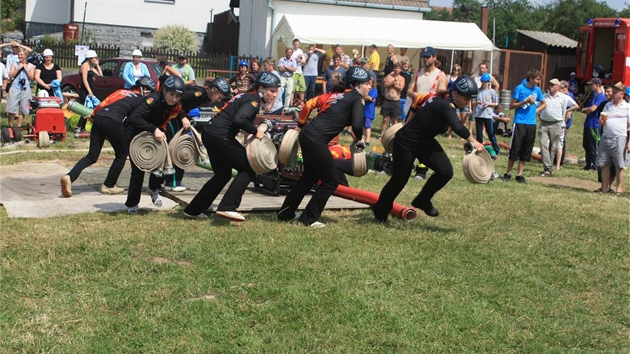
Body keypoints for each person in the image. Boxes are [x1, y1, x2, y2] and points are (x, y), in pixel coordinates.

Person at [372, 75, 484, 222]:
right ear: (455, 93)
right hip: (406, 142)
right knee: (399, 179)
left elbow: (418, 102)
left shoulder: (441, 98)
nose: (467, 103)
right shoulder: (445, 104)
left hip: (425, 142)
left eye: (469, 100)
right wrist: (474, 141)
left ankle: (422, 200)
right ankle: (380, 212)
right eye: (466, 99)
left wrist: (410, 122)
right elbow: (457, 126)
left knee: (445, 172)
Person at [276, 66, 370, 228]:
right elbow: (356, 124)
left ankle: (285, 213)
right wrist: (359, 139)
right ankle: (309, 218)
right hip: (316, 140)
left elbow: (311, 104)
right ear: (357, 85)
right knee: (330, 181)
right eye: (367, 83)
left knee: (308, 177)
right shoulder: (356, 98)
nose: (370, 87)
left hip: (307, 135)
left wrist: (301, 124)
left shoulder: (337, 96)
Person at [182, 72, 281, 221]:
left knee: (223, 175)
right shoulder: (253, 101)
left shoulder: (246, 96)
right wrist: (256, 131)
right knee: (248, 168)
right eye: (272, 91)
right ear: (261, 88)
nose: (274, 95)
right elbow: (240, 120)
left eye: (276, 91)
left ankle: (193, 210)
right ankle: (228, 207)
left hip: (210, 134)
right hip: (220, 137)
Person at [60, 77, 156, 198]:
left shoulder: (120, 91)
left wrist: (94, 115)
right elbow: (133, 120)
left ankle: (69, 177)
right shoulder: (140, 100)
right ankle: (108, 185)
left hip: (99, 117)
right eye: (149, 91)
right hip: (114, 121)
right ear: (144, 89)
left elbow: (104, 102)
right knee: (121, 155)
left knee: (92, 156)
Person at [123, 76, 188, 213]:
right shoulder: (153, 99)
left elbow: (179, 109)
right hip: (137, 133)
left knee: (161, 162)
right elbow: (134, 118)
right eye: (171, 94)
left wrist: (183, 117)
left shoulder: (174, 104)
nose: (174, 99)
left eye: (177, 96)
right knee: (138, 170)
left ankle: (153, 189)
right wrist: (153, 129)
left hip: (155, 135)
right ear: (164, 91)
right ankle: (132, 204)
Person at [164, 77, 232, 192]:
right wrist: (182, 117)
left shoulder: (205, 97)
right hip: (172, 118)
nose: (218, 100)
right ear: (214, 90)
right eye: (219, 97)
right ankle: (172, 182)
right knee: (176, 148)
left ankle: (176, 181)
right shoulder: (198, 93)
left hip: (179, 119)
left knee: (183, 147)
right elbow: (176, 100)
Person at [406, 46, 448, 180]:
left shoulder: (440, 75)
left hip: (430, 112)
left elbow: (441, 93)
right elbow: (409, 91)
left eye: (428, 57)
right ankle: (406, 164)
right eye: (424, 57)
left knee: (424, 140)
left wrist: (424, 97)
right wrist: (417, 96)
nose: (425, 59)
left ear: (434, 57)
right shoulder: (418, 72)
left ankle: (422, 169)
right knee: (408, 136)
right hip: (415, 109)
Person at [502, 69, 547, 184]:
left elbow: (544, 103)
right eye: (537, 79)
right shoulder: (520, 88)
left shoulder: (538, 90)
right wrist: (525, 102)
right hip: (520, 122)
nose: (538, 82)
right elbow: (511, 105)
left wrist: (536, 110)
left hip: (531, 124)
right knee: (515, 148)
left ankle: (520, 174)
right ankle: (508, 173)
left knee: (526, 150)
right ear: (531, 78)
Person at [597, 82, 630, 194]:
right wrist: (601, 122)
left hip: (619, 138)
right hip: (605, 137)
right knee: (604, 164)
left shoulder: (627, 107)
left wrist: (629, 142)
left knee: (619, 165)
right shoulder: (608, 105)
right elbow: (601, 120)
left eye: (616, 92)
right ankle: (604, 187)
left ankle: (619, 188)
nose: (613, 94)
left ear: (622, 94)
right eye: (613, 92)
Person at [581, 78, 606, 171]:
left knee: (593, 146)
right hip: (588, 123)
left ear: (597, 85)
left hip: (594, 124)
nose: (590, 86)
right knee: (586, 144)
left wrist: (585, 110)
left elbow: (593, 109)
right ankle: (588, 164)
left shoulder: (601, 97)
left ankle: (595, 165)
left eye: (592, 85)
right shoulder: (594, 96)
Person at [75, 50, 103, 134]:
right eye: (94, 58)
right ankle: (78, 127)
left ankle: (82, 128)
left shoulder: (91, 67)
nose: (96, 59)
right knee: (84, 109)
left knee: (88, 109)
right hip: (85, 91)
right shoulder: (85, 65)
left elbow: (100, 75)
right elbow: (84, 80)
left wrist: (97, 65)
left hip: (91, 90)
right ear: (90, 58)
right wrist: (89, 91)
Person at [6, 49, 35, 130]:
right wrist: (18, 69)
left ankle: (19, 126)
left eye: (21, 55)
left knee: (23, 108)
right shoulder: (14, 64)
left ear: (26, 56)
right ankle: (10, 125)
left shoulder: (31, 66)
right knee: (11, 107)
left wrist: (25, 69)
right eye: (19, 55)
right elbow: (10, 75)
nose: (20, 56)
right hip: (15, 87)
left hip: (25, 88)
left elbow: (32, 78)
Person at [473, 73, 499, 155]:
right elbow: (472, 102)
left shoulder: (492, 92)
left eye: (486, 82)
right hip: (478, 114)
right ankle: (480, 148)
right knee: (479, 133)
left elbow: (496, 103)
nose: (484, 83)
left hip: (487, 115)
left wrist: (488, 104)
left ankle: (496, 149)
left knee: (490, 133)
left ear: (489, 82)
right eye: (483, 81)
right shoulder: (477, 91)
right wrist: (477, 102)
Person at [555, 80, 579, 170]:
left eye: (560, 87)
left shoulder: (568, 96)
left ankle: (560, 161)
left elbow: (570, 110)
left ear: (565, 87)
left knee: (562, 142)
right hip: (559, 121)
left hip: (564, 122)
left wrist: (564, 121)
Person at [380, 62, 404, 135]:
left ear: (400, 70)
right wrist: (393, 82)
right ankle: (382, 134)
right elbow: (385, 85)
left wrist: (393, 85)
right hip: (387, 100)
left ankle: (394, 134)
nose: (396, 69)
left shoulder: (402, 78)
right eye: (395, 68)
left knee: (394, 120)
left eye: (398, 68)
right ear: (393, 68)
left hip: (396, 101)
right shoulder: (389, 76)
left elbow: (401, 88)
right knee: (385, 119)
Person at [278, 47, 298, 112]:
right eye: (288, 52)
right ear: (286, 52)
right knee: (280, 91)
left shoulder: (293, 60)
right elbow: (280, 69)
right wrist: (290, 68)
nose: (289, 53)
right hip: (282, 77)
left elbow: (294, 69)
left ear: (292, 53)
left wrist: (286, 67)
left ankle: (286, 107)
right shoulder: (282, 59)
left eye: (290, 52)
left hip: (290, 77)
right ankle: (279, 106)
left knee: (289, 92)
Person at [363, 77, 378, 145]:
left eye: (370, 83)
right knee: (363, 125)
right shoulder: (364, 89)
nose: (369, 84)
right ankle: (363, 138)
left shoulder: (374, 90)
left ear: (372, 83)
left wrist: (366, 97)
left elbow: (371, 98)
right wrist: (367, 97)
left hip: (369, 110)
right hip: (362, 109)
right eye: (367, 83)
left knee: (367, 125)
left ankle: (367, 141)